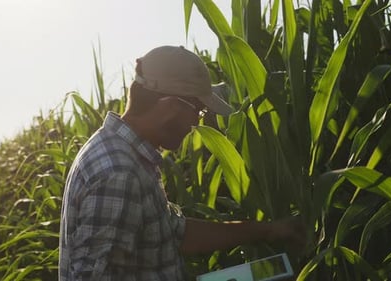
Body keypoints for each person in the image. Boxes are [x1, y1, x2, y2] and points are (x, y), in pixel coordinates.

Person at [59, 45, 306, 280]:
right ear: (170, 105)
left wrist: (268, 230)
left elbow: (174, 233)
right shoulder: (119, 172)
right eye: (198, 111)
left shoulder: (123, 153)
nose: (196, 124)